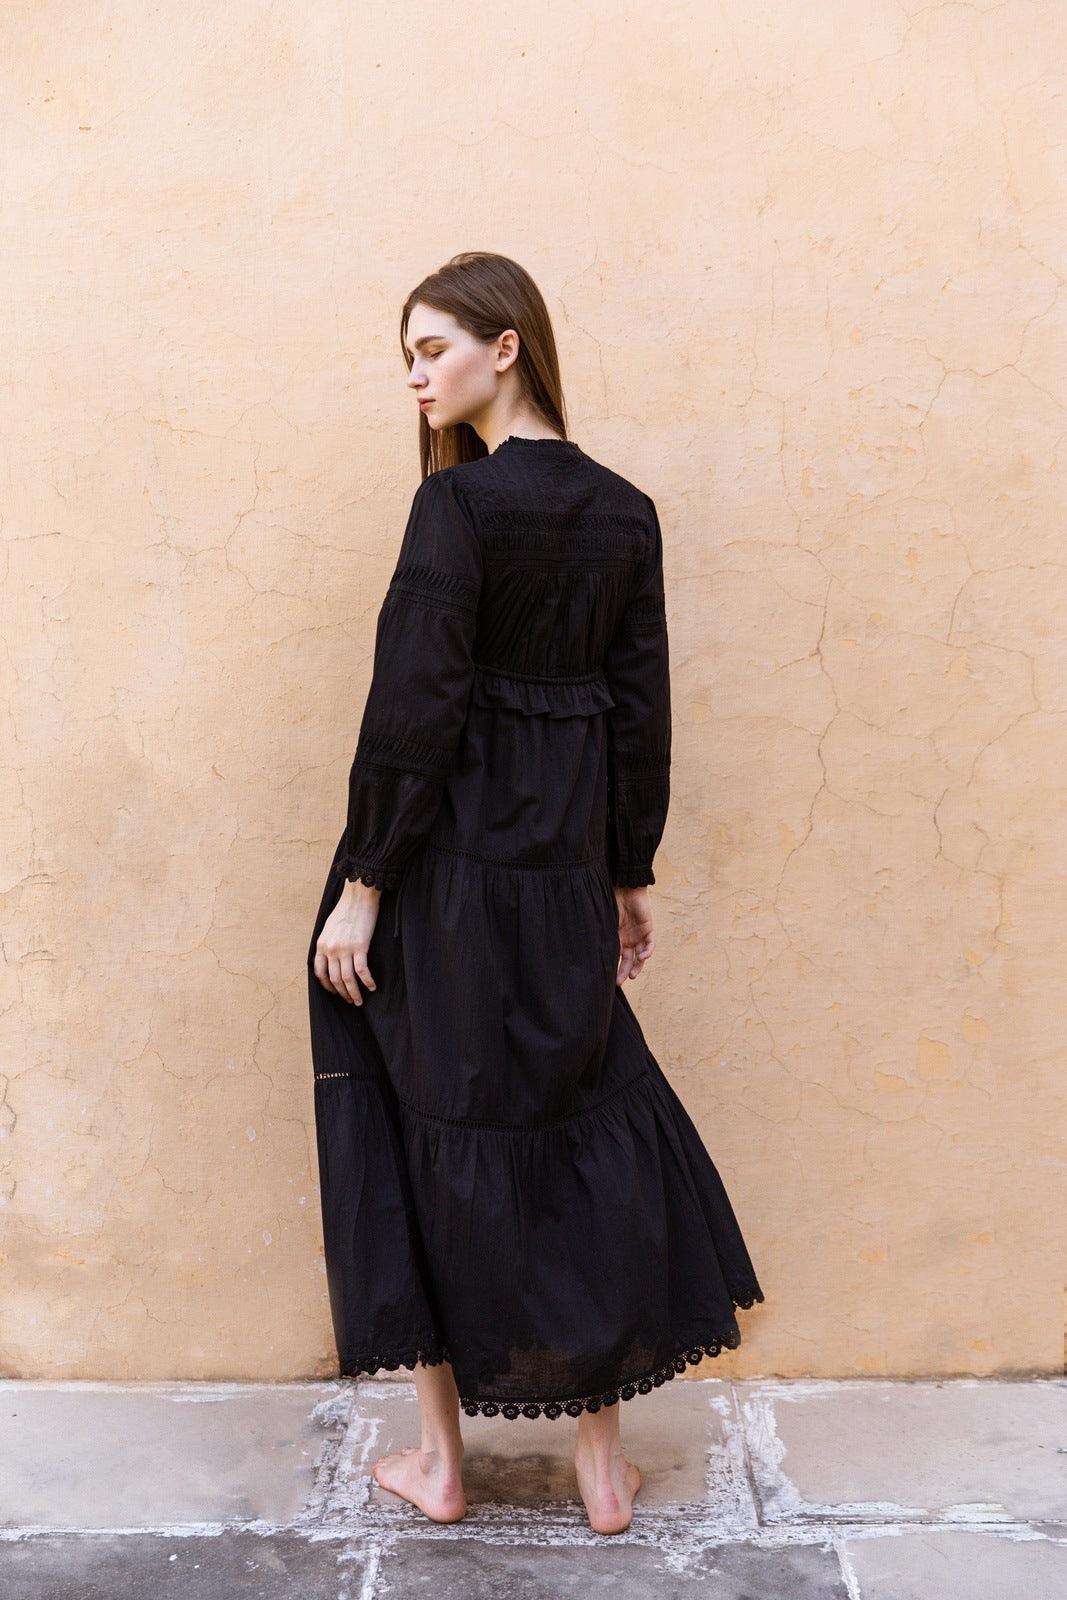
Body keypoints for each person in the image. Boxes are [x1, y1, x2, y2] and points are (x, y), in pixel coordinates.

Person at [307, 251, 764, 1536]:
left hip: (442, 880)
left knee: (420, 1129)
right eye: (406, 357)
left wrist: (363, 883)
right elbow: (638, 715)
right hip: (562, 879)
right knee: (576, 1133)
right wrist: (624, 873)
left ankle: (441, 1462)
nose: (415, 377)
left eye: (431, 349)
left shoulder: (454, 509)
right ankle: (599, 1468)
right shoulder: (624, 513)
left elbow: (414, 709)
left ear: (504, 346)